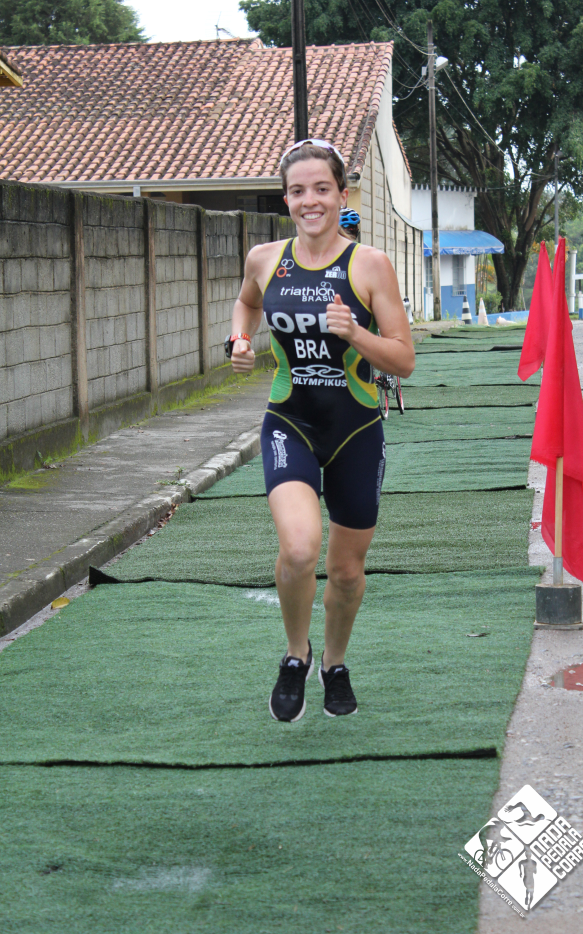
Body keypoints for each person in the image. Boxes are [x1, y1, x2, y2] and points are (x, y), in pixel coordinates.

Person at [226, 139, 415, 722]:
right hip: (291, 422)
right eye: (299, 191)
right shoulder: (265, 258)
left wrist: (355, 334)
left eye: (322, 189)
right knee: (301, 548)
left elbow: (403, 360)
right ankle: (295, 655)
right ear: (288, 198)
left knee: (349, 571)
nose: (310, 201)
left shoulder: (370, 265)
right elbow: (246, 304)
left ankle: (334, 662)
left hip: (356, 430)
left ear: (340, 194)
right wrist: (238, 339)